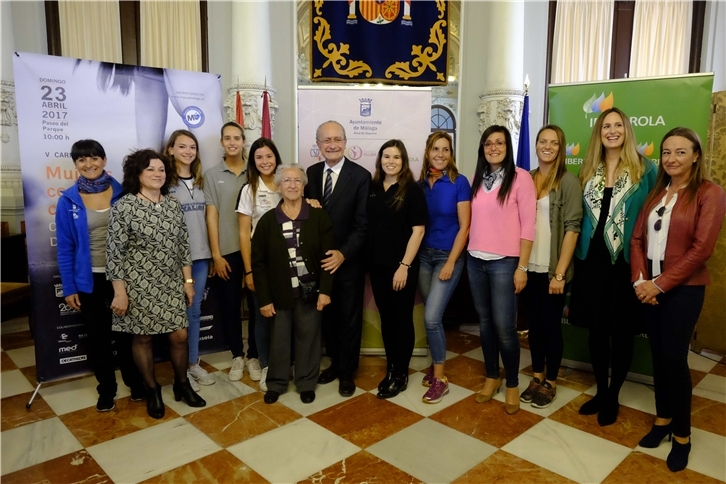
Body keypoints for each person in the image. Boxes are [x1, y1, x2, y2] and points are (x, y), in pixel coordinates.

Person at [630, 127, 726, 472]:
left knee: (674, 361)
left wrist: (661, 285)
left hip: (684, 290)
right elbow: (637, 239)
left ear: (696, 155)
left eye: (680, 152)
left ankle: (683, 436)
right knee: (658, 358)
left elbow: (702, 249)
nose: (671, 158)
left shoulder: (709, 193)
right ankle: (663, 419)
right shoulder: (657, 191)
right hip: (650, 287)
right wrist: (642, 281)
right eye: (667, 152)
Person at [568, 107, 656, 426]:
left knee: (620, 332)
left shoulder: (646, 169)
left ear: (627, 130)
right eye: (607, 126)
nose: (612, 130)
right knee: (596, 330)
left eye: (618, 125)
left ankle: (614, 395)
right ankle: (601, 390)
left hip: (625, 262)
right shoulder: (589, 169)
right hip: (592, 260)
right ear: (599, 133)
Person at [107, 150, 206, 419]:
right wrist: (120, 292)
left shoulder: (173, 205)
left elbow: (183, 246)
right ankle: (152, 390)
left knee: (180, 335)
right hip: (137, 285)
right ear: (137, 174)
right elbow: (114, 254)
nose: (157, 174)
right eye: (150, 169)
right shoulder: (124, 207)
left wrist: (188, 282)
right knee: (143, 337)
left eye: (161, 169)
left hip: (172, 281)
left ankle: (182, 384)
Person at [55, 139, 145, 412]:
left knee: (127, 335)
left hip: (125, 278)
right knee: (98, 339)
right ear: (75, 165)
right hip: (89, 279)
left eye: (94, 158)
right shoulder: (68, 200)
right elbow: (66, 248)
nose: (88, 164)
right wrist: (69, 286)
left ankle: (135, 383)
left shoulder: (125, 193)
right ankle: (107, 389)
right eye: (82, 160)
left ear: (104, 161)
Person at [467, 125, 536, 415]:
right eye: (488, 143)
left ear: (508, 146)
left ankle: (511, 383)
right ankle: (491, 377)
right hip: (475, 260)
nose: (493, 147)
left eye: (499, 143)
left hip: (505, 262)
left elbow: (528, 226)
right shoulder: (477, 179)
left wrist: (522, 267)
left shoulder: (521, 178)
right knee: (485, 324)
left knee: (505, 328)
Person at [252, 164, 334, 404]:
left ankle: (306, 382)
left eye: (297, 180)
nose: (292, 185)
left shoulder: (318, 216)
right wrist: (265, 299)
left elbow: (328, 257)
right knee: (278, 339)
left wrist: (325, 291)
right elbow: (259, 264)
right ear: (278, 186)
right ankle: (276, 383)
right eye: (286, 181)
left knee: (308, 338)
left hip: (310, 291)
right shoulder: (267, 221)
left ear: (304, 185)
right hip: (279, 294)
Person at [305, 121, 370, 397]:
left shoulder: (361, 176)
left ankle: (347, 372)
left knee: (349, 318)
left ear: (345, 142)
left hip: (347, 262)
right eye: (325, 140)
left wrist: (343, 253)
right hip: (319, 264)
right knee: (328, 318)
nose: (332, 144)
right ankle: (334, 363)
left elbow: (363, 223)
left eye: (337, 139)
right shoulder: (310, 173)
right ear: (318, 144)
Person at [519, 125, 582, 409]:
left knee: (551, 328)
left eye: (553, 142)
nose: (547, 146)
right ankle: (537, 376)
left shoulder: (568, 182)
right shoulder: (526, 178)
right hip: (528, 266)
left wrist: (559, 273)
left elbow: (572, 229)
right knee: (533, 326)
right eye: (542, 141)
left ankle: (552, 382)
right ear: (535, 146)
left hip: (551, 270)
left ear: (561, 147)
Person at [367, 140, 428, 399]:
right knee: (386, 319)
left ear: (404, 161)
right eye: (386, 156)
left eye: (396, 157)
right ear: (380, 159)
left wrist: (404, 266)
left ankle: (401, 374)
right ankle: (391, 368)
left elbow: (419, 230)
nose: (390, 161)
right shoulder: (371, 188)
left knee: (401, 320)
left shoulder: (412, 190)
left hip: (402, 268)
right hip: (377, 267)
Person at [203, 122, 261, 382]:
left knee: (259, 306)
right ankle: (237, 354)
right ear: (221, 142)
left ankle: (256, 355)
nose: (232, 142)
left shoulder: (256, 168)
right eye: (227, 138)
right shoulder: (213, 174)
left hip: (256, 250)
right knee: (229, 306)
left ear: (244, 141)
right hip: (226, 249)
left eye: (237, 138)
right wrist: (216, 254)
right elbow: (211, 216)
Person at [417, 132, 470, 404]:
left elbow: (465, 227)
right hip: (423, 257)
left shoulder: (459, 183)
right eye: (435, 149)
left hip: (448, 257)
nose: (440, 153)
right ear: (427, 152)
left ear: (451, 154)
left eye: (445, 149)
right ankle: (435, 364)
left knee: (431, 318)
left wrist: (450, 262)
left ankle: (441, 378)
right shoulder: (420, 184)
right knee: (430, 316)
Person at [165, 130, 214, 391]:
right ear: (170, 149)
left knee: (193, 311)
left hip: (201, 257)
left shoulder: (201, 181)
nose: (188, 151)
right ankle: (178, 370)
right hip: (172, 260)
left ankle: (192, 363)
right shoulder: (162, 181)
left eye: (192, 147)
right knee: (173, 314)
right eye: (181, 146)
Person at [236, 137, 282, 392]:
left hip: (288, 262)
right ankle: (266, 366)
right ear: (253, 162)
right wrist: (249, 270)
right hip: (260, 263)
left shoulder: (288, 182)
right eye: (259, 157)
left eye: (269, 156)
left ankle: (284, 363)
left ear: (276, 157)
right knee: (263, 316)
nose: (265, 161)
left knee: (285, 315)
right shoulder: (249, 189)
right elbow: (244, 232)